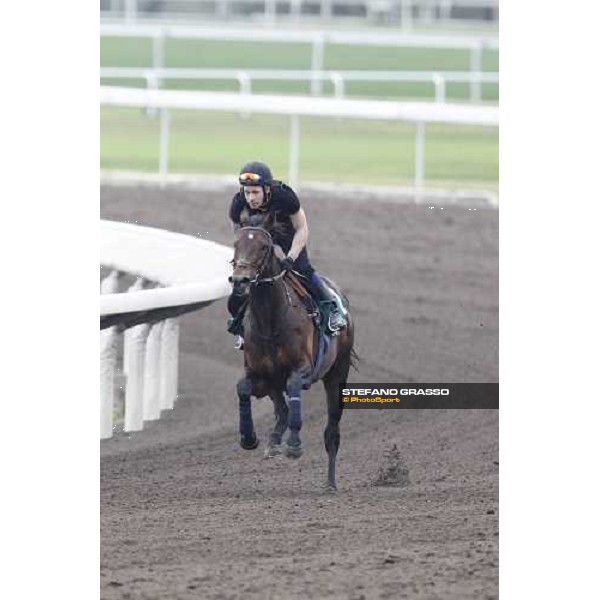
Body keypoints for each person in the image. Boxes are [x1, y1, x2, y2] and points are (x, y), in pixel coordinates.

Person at [227, 160, 347, 349]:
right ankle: (239, 326)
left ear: (267, 189)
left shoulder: (285, 197)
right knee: (241, 280)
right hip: (258, 236)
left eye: (255, 192)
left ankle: (333, 307)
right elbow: (237, 229)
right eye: (247, 192)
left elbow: (302, 228)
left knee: (302, 270)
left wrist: (290, 256)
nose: (250, 198)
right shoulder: (238, 202)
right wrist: (244, 254)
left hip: (287, 234)